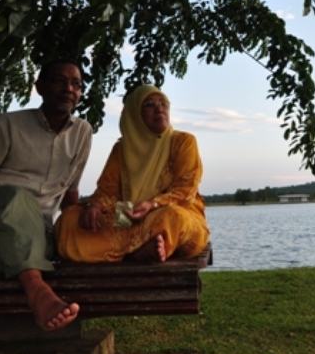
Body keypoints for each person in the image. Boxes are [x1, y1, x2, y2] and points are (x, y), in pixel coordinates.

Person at [0, 59, 92, 331]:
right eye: (60, 81)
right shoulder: (7, 124)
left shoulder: (83, 132)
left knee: (34, 246)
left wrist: (81, 221)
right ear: (40, 87)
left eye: (76, 84)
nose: (69, 89)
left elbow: (69, 194)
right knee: (18, 198)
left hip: (35, 228)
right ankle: (37, 290)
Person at [55, 84, 210, 263]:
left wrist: (153, 204)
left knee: (173, 218)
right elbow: (107, 190)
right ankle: (138, 250)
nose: (159, 109)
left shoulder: (183, 141)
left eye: (163, 104)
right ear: (135, 114)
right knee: (69, 218)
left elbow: (186, 189)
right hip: (128, 218)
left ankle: (137, 248)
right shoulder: (121, 149)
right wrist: (95, 206)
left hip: (172, 213)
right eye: (150, 104)